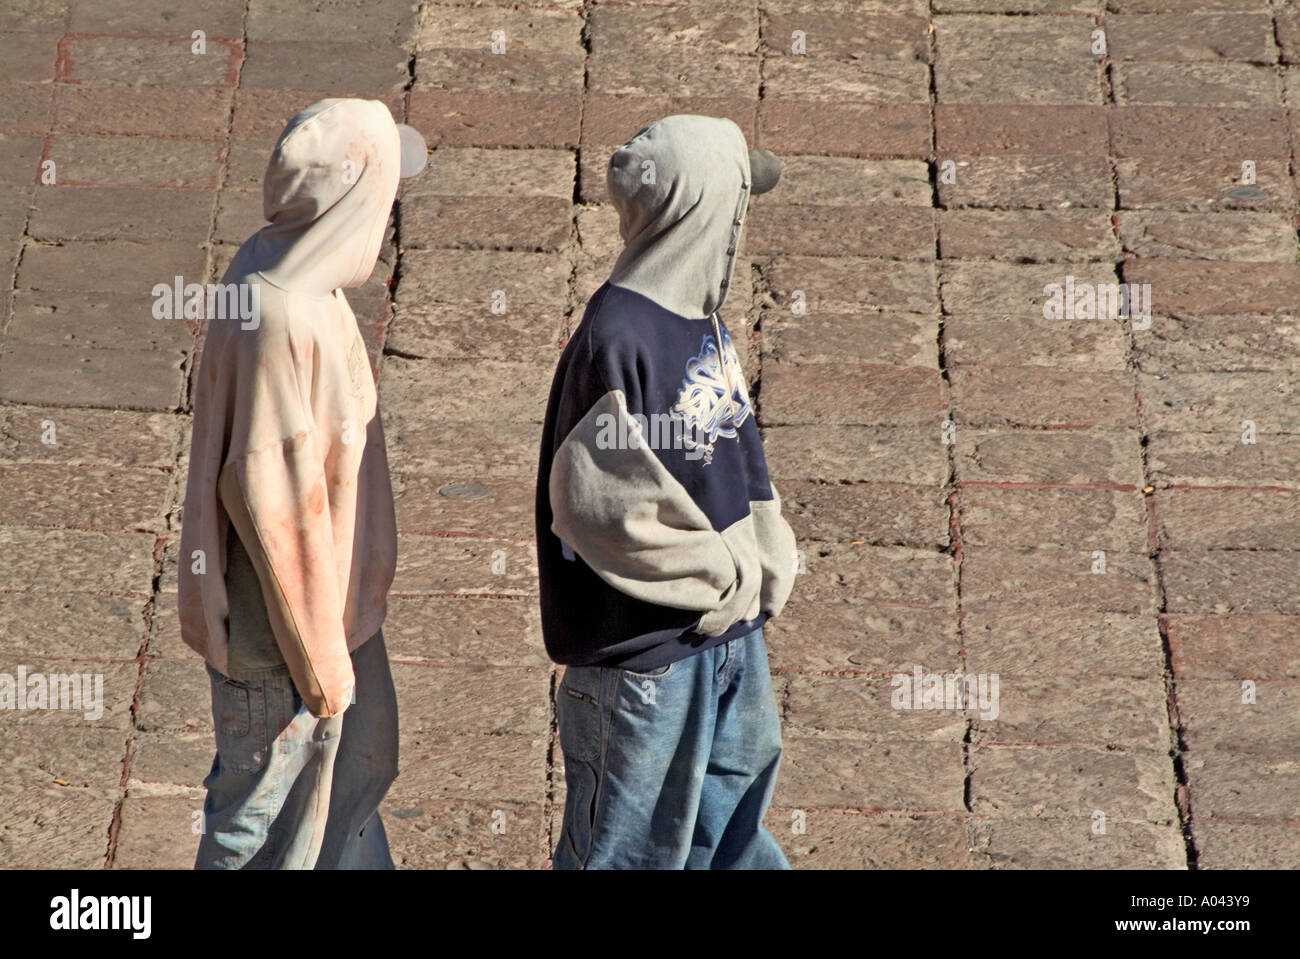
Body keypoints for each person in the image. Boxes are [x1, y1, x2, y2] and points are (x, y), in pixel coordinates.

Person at [536, 115, 798, 869]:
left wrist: (764, 560)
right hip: (643, 665)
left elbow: (737, 451)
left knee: (733, 830)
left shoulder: (703, 321)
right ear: (702, 210)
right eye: (739, 202)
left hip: (728, 640)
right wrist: (723, 577)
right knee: (627, 851)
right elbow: (601, 507)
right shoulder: (616, 339)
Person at [178, 98, 423, 869]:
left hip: (333, 613)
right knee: (261, 827)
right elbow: (268, 498)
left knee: (359, 770)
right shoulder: (281, 319)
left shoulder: (286, 267)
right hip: (283, 639)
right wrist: (321, 670)